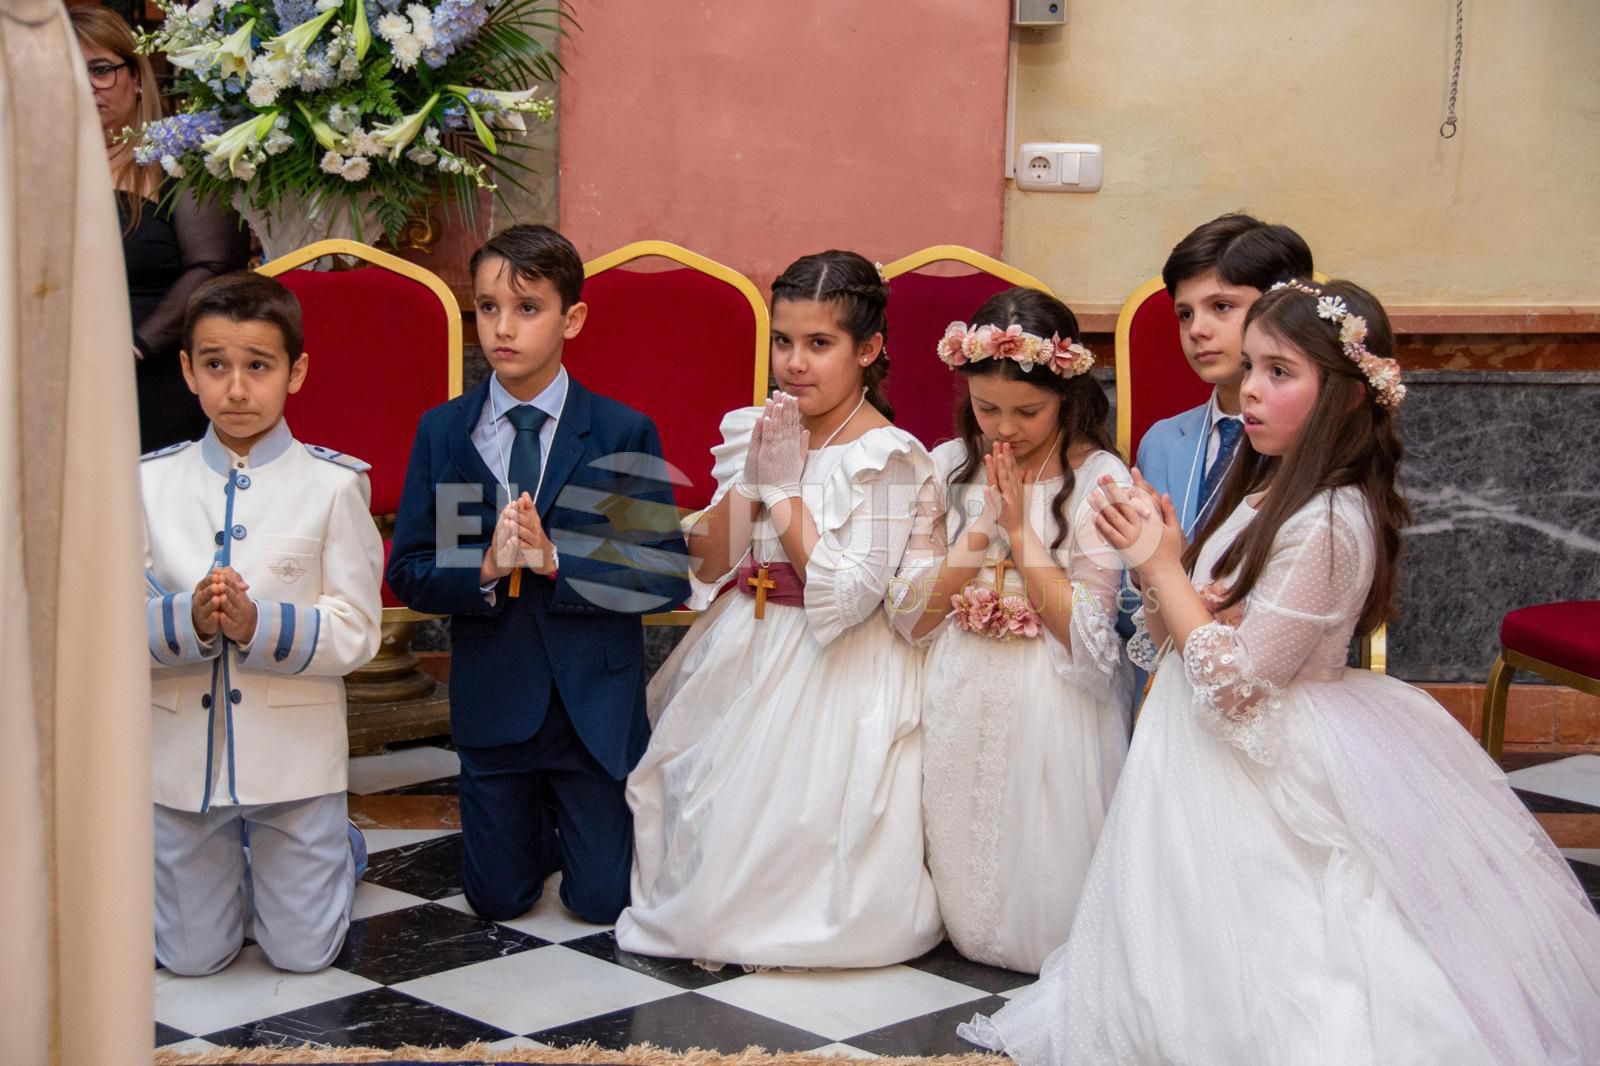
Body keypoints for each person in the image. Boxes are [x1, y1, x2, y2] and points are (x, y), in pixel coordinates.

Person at [961, 280, 1600, 1064]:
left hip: (1267, 750)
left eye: (1279, 372)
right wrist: (1160, 569)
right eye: (1252, 368)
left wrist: (1163, 573)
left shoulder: (1333, 520)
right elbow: (1177, 637)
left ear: (1343, 395)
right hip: (1194, 749)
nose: (1250, 389)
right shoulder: (1264, 489)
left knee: (1289, 961)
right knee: (1177, 940)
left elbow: (1237, 687)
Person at [617, 250, 943, 968]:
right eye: (783, 341)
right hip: (746, 636)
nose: (795, 364)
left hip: (834, 664)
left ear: (869, 350)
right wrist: (753, 478)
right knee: (697, 798)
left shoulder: (891, 456)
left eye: (820, 345)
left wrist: (785, 491)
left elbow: (850, 597)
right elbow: (707, 561)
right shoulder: (757, 427)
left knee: (792, 824)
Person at [387, 224, 691, 925]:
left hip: (593, 710)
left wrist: (557, 562)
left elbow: (663, 577)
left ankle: (574, 821)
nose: (504, 327)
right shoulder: (446, 433)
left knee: (599, 902)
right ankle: (529, 828)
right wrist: (485, 568)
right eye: (489, 308)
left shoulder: (618, 432)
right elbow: (411, 570)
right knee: (498, 900)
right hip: (496, 705)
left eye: (528, 308)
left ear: (571, 318)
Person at [143, 272, 383, 975]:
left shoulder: (334, 486)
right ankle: (226, 869)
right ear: (188, 371)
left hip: (295, 771)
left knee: (302, 956)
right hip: (180, 771)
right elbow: (109, 622)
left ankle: (339, 844)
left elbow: (357, 629)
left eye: (258, 367)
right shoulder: (147, 486)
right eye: (216, 366)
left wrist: (257, 623)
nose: (237, 390)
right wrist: (186, 618)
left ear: (295, 372)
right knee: (193, 960)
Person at [888, 287, 1131, 974]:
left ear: (1068, 397)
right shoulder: (944, 466)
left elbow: (1090, 638)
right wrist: (976, 536)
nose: (1003, 428)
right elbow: (909, 616)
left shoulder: (1099, 478)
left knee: (1039, 831)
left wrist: (1023, 535)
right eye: (985, 408)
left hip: (1050, 690)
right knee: (964, 814)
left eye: (1028, 411)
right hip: (961, 676)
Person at [70, 5, 251, 451]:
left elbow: (213, 268)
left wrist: (135, 347)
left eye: (100, 69)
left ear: (135, 76)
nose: (85, 85)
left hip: (152, 380)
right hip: (52, 379)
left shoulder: (180, 166)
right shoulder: (29, 174)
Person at [1135, 213, 1314, 535]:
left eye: (1221, 306)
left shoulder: (1312, 443)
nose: (1197, 330)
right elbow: (1132, 582)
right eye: (1185, 314)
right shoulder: (1161, 442)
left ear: (1282, 308)